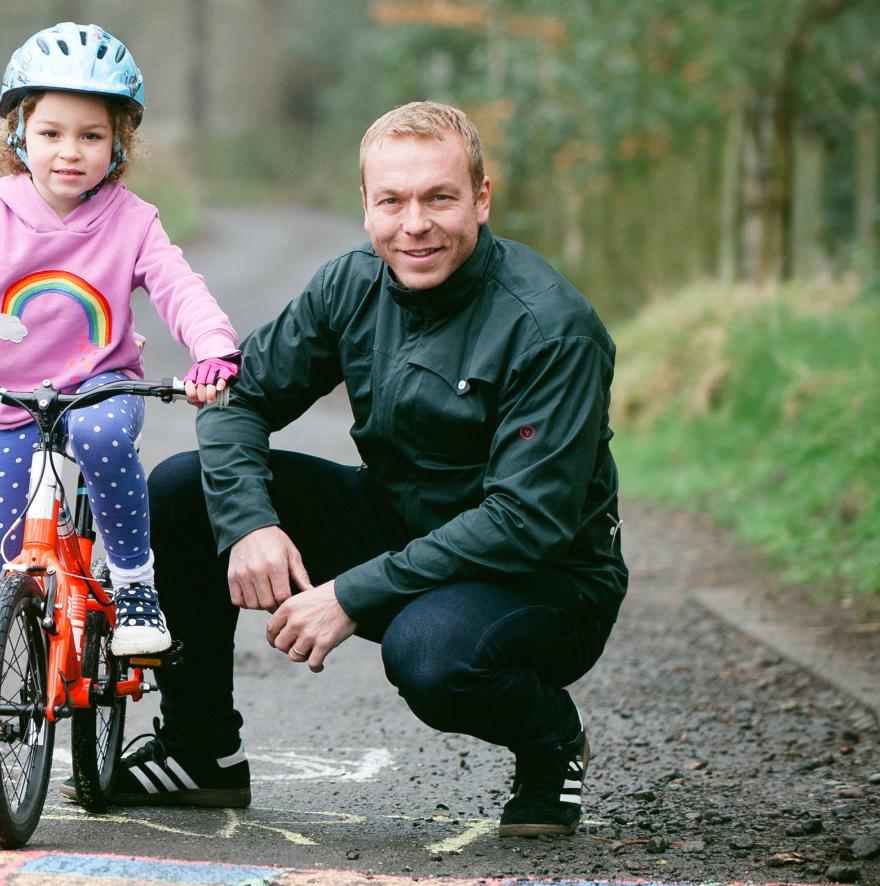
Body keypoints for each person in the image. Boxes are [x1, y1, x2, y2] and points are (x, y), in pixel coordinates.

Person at [73, 101, 628, 838]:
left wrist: (351, 594)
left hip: (542, 578)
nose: (415, 224)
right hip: (403, 522)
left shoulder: (550, 328)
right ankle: (202, 752)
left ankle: (550, 739)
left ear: (482, 200)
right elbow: (241, 398)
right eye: (392, 201)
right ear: (365, 204)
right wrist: (252, 524)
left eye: (440, 197)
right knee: (183, 489)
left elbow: (526, 522)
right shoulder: (352, 284)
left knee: (429, 654)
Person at [0, 21, 240, 827]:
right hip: (12, 410)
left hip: (99, 386)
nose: (70, 150)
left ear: (121, 143)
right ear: (17, 134)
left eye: (92, 135)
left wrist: (213, 353)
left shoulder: (133, 222)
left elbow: (180, 290)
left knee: (106, 435)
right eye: (50, 132)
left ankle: (135, 592)